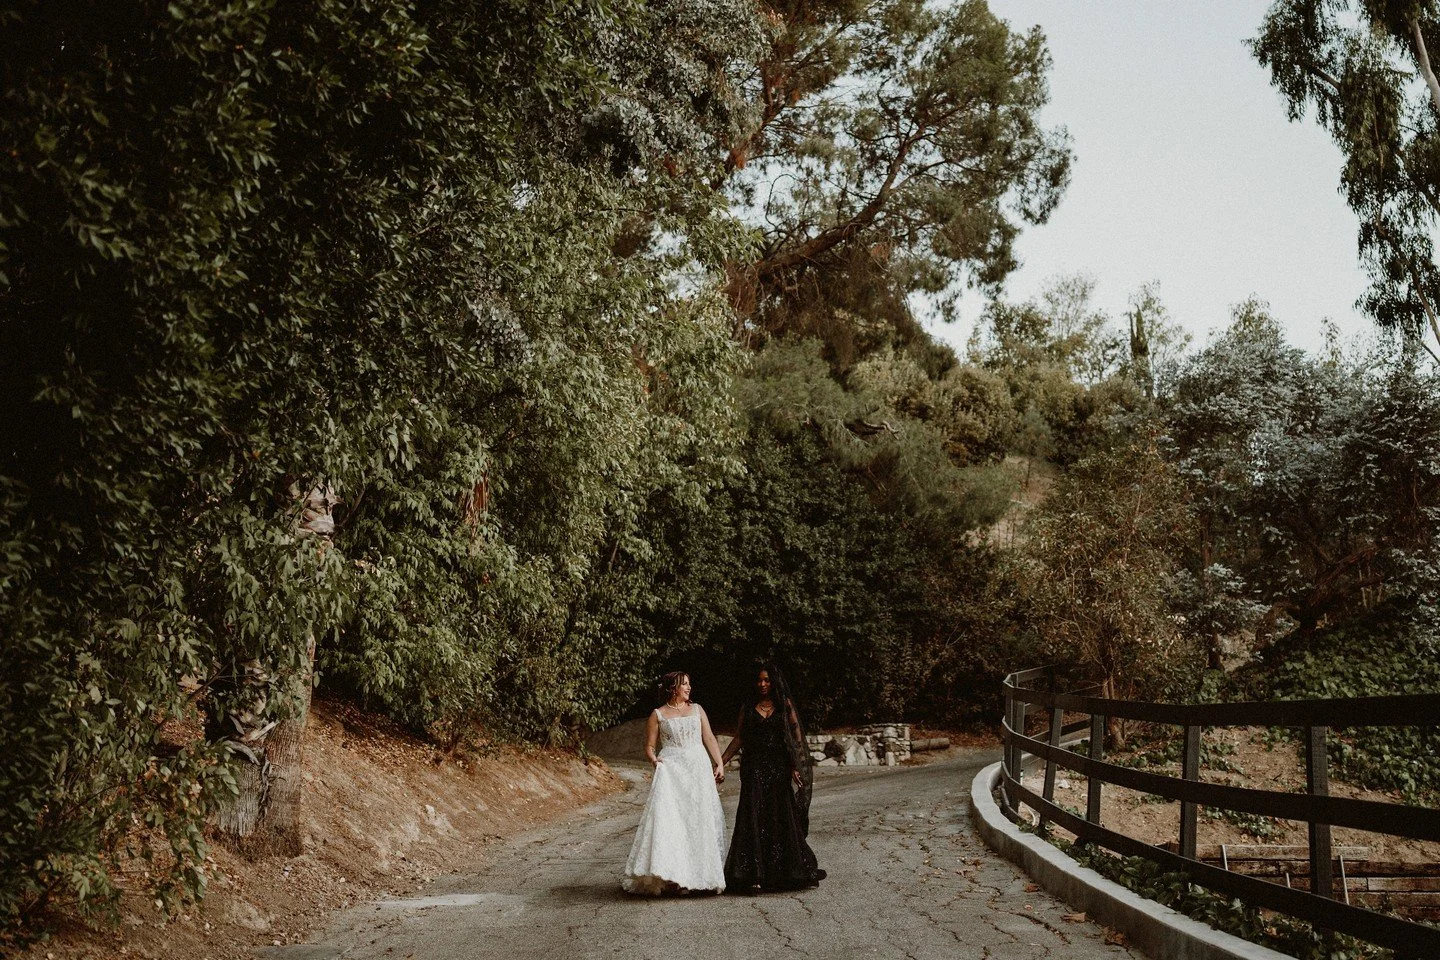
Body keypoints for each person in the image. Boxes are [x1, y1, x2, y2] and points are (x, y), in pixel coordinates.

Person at [721, 663, 826, 893]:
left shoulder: (784, 705)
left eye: (767, 680)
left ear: (774, 681)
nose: (762, 684)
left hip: (779, 769)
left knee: (779, 815)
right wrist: (721, 762)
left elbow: (796, 739)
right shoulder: (748, 706)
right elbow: (739, 737)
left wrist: (796, 766)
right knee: (754, 816)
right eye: (759, 680)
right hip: (754, 769)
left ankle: (783, 873)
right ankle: (754, 875)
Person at [621, 671, 728, 895]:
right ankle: (676, 878)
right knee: (674, 823)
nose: (689, 687)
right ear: (673, 688)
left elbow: (708, 737)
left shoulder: (697, 709)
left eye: (689, 683)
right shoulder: (658, 714)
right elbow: (650, 746)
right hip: (672, 771)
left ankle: (701, 876)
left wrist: (719, 763)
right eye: (684, 684)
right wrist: (654, 761)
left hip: (697, 769)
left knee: (698, 819)